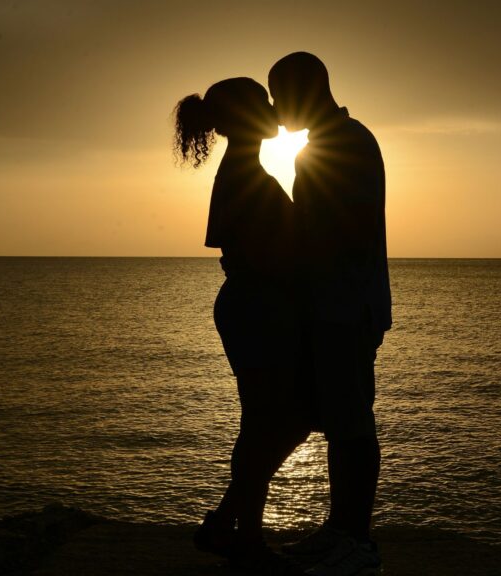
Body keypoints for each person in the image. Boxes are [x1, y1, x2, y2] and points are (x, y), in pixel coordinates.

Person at [174, 77, 310, 575]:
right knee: (269, 423)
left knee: (281, 420)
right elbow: (259, 254)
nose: (275, 108)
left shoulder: (244, 169)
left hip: (256, 304)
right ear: (246, 115)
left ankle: (229, 525)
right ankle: (241, 535)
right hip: (257, 306)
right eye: (264, 102)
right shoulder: (242, 174)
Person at [270, 52, 391, 576]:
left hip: (347, 304)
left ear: (305, 90)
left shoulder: (347, 143)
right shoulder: (322, 146)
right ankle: (340, 530)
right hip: (331, 302)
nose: (274, 109)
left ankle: (357, 544)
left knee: (351, 423)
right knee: (338, 421)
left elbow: (351, 228)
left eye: (279, 96)